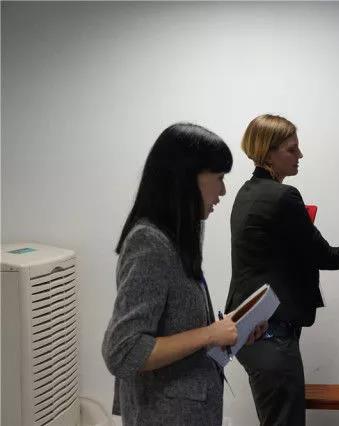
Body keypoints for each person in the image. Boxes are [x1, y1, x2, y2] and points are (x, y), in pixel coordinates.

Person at [225, 114, 339, 426]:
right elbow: (324, 255)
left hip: (250, 331)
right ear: (268, 153)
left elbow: (267, 255)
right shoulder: (283, 196)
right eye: (292, 150)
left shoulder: (248, 192)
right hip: (270, 335)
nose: (300, 155)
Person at [102, 123, 266, 426]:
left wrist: (231, 334)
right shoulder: (149, 243)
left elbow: (177, 332)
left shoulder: (174, 239)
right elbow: (123, 351)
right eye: (219, 178)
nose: (223, 191)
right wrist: (209, 334)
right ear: (187, 178)